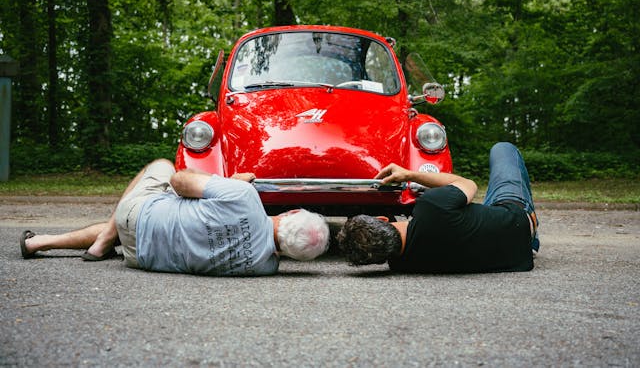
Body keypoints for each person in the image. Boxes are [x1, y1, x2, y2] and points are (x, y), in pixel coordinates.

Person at [20, 159, 330, 276]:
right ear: (293, 257)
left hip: (137, 217)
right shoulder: (265, 267)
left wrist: (231, 183)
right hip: (141, 257)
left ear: (291, 212)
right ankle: (41, 243)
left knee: (163, 165)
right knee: (132, 228)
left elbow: (179, 181)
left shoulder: (245, 196)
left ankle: (103, 240)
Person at [337, 142, 539, 273]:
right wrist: (409, 175)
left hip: (520, 255)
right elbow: (468, 184)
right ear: (382, 219)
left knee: (467, 215)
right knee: (502, 149)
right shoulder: (432, 207)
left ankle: (531, 242)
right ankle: (532, 222)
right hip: (519, 217)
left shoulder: (403, 266)